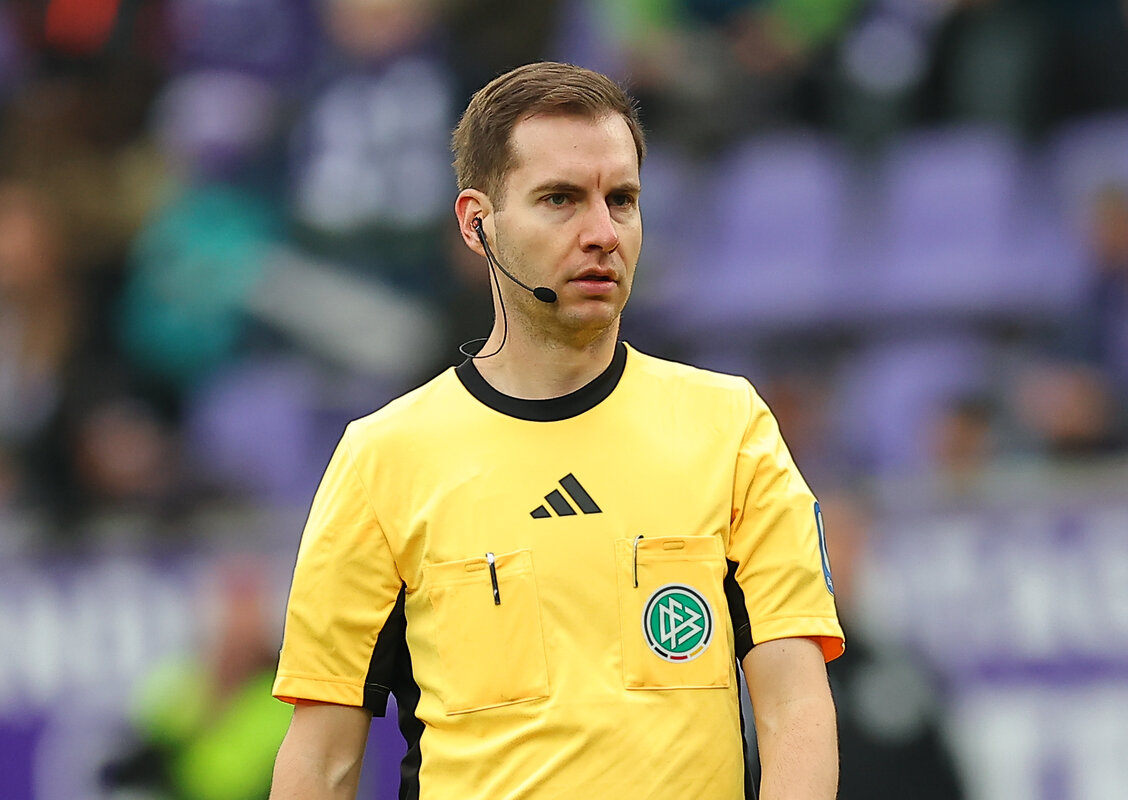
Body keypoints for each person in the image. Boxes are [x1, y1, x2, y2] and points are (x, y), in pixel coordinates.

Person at [269, 61, 844, 800]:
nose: (602, 233)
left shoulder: (730, 428)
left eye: (622, 200)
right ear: (476, 224)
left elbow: (795, 708)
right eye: (560, 199)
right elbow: (321, 761)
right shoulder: (381, 459)